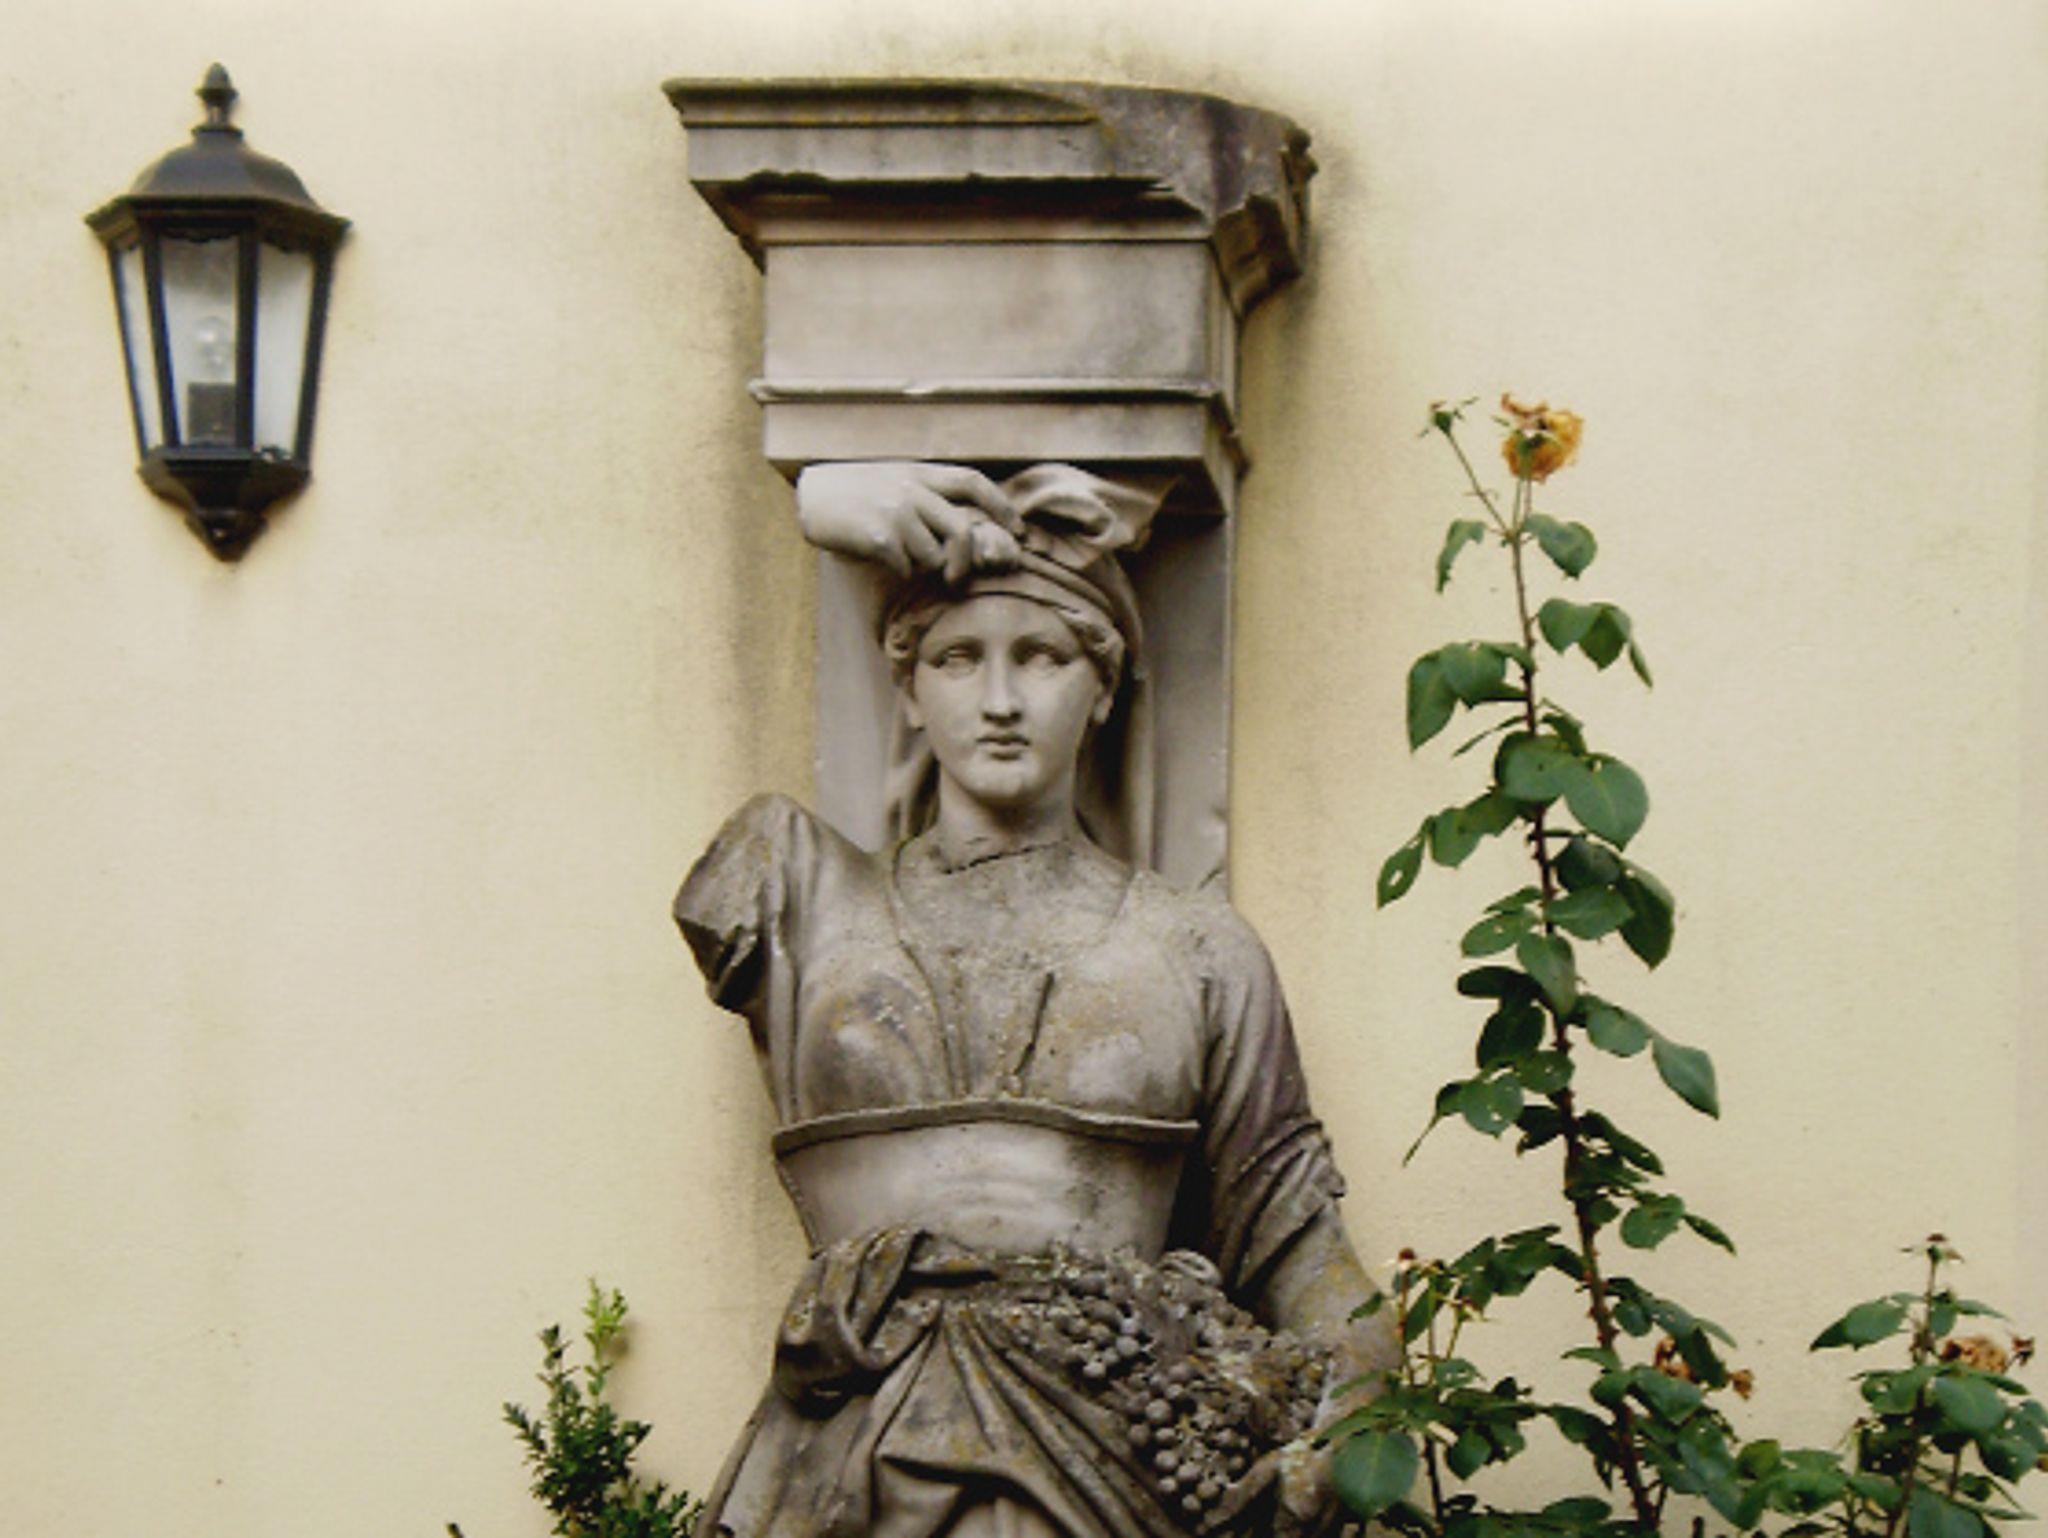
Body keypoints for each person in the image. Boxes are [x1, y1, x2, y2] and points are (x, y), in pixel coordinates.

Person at [676, 462, 1391, 1538]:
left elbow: (1300, 1250)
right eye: (958, 658)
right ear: (907, 688)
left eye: (1042, 656)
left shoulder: (1198, 948)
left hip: (1108, 1471)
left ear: (1102, 686)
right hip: (850, 1467)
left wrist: (1349, 1423)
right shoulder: (795, 890)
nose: (1000, 701)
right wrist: (827, 496)